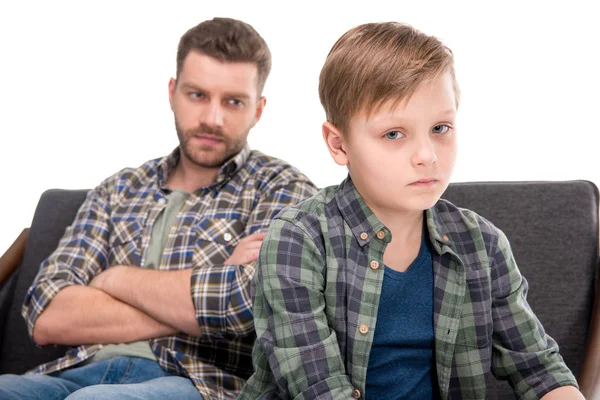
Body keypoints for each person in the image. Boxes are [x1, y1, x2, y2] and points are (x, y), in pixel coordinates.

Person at [239, 22, 583, 399]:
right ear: (339, 145)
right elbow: (319, 389)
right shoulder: (298, 240)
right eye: (393, 134)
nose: (427, 155)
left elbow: (538, 367)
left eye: (440, 127)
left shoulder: (483, 245)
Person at [0, 17, 317, 400]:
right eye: (197, 95)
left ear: (258, 110)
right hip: (77, 370)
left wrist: (115, 279)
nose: (212, 118)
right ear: (172, 92)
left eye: (233, 101)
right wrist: (200, 298)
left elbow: (246, 302)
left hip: (198, 381)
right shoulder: (118, 190)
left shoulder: (283, 187)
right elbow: (46, 315)